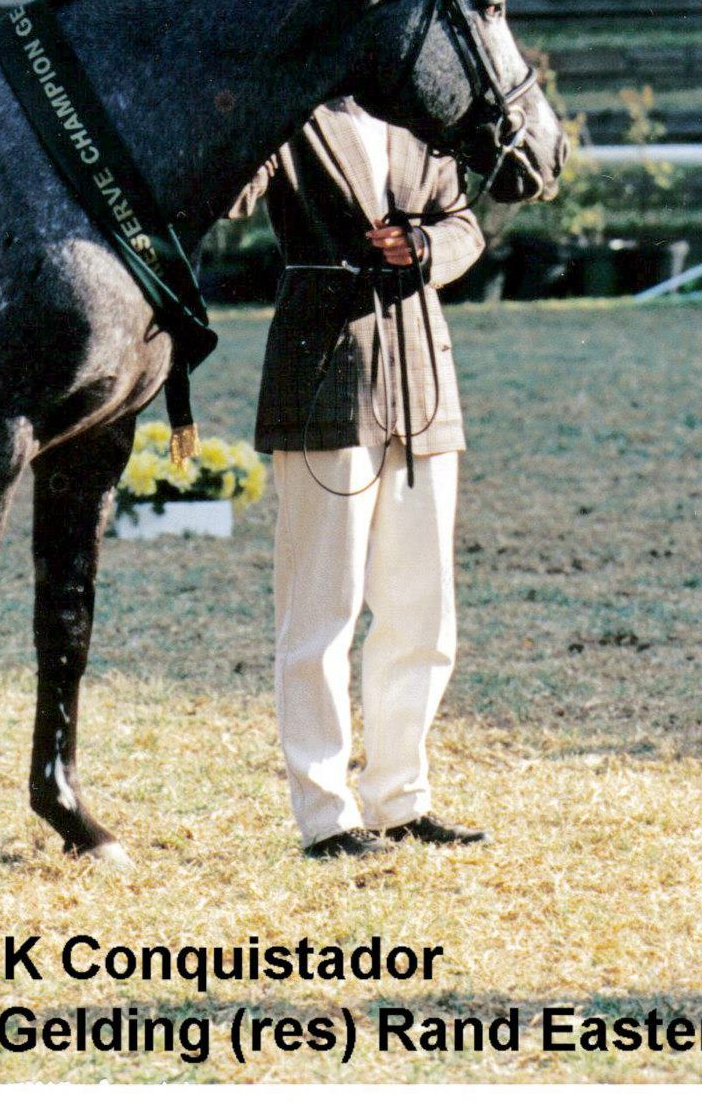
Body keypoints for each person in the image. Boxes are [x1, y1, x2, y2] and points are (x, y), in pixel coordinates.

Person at [227, 102, 488, 860]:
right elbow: (233, 194)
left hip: (422, 380)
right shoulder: (292, 111)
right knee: (319, 614)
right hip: (323, 379)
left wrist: (427, 245)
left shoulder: (419, 120)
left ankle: (400, 801)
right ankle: (326, 816)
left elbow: (465, 223)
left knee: (422, 613)